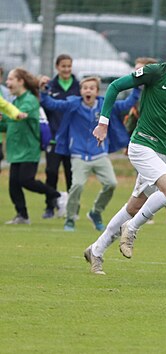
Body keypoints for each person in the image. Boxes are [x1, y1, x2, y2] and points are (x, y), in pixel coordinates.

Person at [83, 32, 166, 275]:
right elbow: (114, 87)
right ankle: (131, 230)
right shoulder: (156, 72)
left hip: (165, 152)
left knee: (133, 207)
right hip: (142, 145)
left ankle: (96, 251)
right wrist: (103, 122)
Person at [40, 76, 140, 231]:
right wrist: (44, 92)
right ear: (81, 91)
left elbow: (126, 104)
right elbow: (52, 104)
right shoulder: (73, 104)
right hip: (79, 155)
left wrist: (136, 87)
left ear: (97, 91)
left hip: (100, 154)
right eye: (85, 88)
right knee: (77, 185)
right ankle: (70, 219)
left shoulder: (104, 105)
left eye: (91, 88)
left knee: (111, 184)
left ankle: (96, 212)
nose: (88, 90)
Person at [0, 68, 67, 225]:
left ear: (20, 82)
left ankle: (58, 196)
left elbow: (17, 117)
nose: (7, 83)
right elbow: (8, 124)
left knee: (26, 180)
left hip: (29, 149)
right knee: (13, 185)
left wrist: (6, 116)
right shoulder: (16, 101)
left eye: (10, 79)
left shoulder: (29, 100)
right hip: (16, 150)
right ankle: (22, 215)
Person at [124, 57, 166, 225]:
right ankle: (142, 214)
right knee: (147, 183)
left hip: (160, 146)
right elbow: (131, 121)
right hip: (142, 144)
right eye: (135, 69)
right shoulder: (136, 93)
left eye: (141, 70)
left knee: (163, 185)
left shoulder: (159, 91)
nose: (137, 74)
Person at [41, 54, 80, 219]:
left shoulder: (79, 86)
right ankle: (50, 207)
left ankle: (72, 209)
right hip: (54, 139)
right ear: (57, 67)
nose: (66, 69)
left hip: (72, 139)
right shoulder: (50, 86)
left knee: (72, 175)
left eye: (69, 66)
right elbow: (44, 108)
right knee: (51, 172)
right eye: (63, 66)